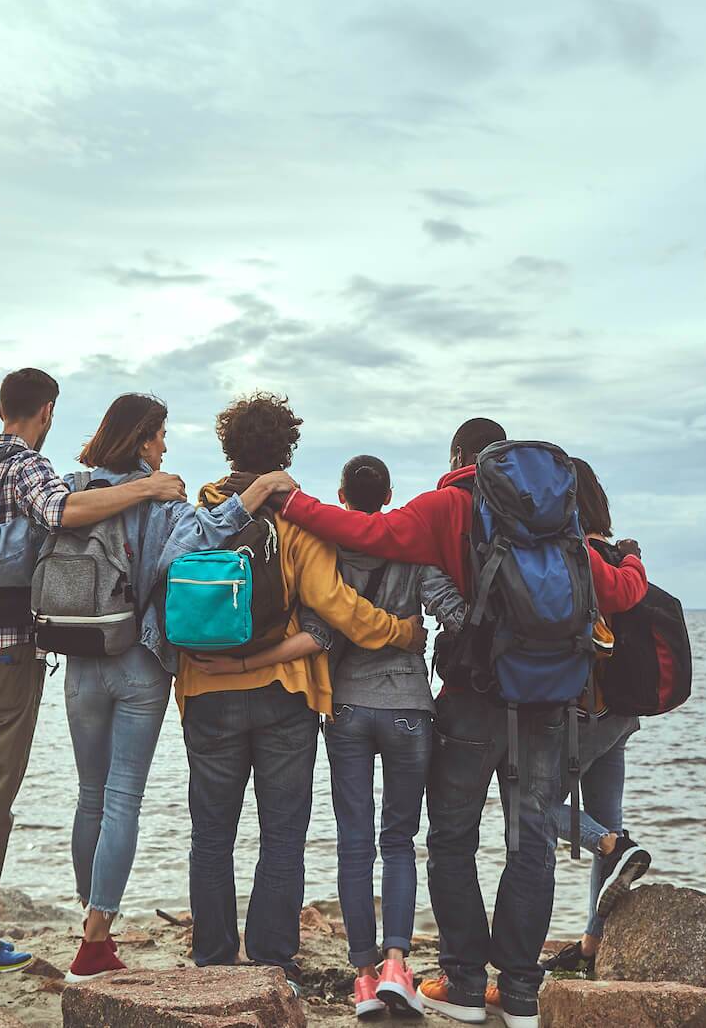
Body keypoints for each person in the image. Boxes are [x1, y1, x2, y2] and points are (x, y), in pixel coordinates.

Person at [273, 418, 650, 1028]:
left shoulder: (450, 505)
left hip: (472, 699)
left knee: (452, 840)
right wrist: (630, 560)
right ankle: (523, 991)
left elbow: (364, 528)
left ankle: (466, 984)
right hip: (550, 700)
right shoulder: (555, 516)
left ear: (458, 456)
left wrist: (291, 501)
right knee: (532, 843)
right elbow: (620, 593)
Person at [0, 368, 189, 981]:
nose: (164, 447)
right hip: (20, 653)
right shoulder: (37, 473)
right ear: (45, 411)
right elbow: (60, 514)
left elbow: (5, 546)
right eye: (161, 436)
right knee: (2, 793)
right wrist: (152, 492)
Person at [174, 393, 427, 983]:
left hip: (205, 688)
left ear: (226, 447)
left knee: (211, 833)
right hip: (284, 693)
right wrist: (398, 632)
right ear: (285, 449)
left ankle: (212, 956)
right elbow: (336, 606)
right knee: (281, 832)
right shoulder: (297, 519)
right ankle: (271, 957)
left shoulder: (198, 512)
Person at [56, 393, 290, 981]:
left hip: (80, 658)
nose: (165, 447)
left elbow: (26, 546)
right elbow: (203, 539)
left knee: (90, 794)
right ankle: (95, 935)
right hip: (137, 660)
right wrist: (255, 495)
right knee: (122, 797)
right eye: (160, 436)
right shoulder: (163, 495)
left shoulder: (73, 488)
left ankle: (92, 920)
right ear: (141, 439)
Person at [322, 455, 466, 1020]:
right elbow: (452, 613)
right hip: (409, 707)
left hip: (348, 707)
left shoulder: (330, 552)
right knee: (399, 840)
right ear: (388, 497)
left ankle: (361, 978)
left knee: (354, 841)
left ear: (341, 495)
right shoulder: (413, 548)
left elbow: (319, 621)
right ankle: (396, 967)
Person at [539, 458, 651, 975]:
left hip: (591, 710)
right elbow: (631, 588)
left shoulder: (580, 551)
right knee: (606, 814)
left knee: (533, 805)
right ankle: (592, 944)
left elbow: (614, 595)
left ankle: (612, 845)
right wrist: (633, 557)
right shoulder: (618, 551)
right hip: (624, 710)